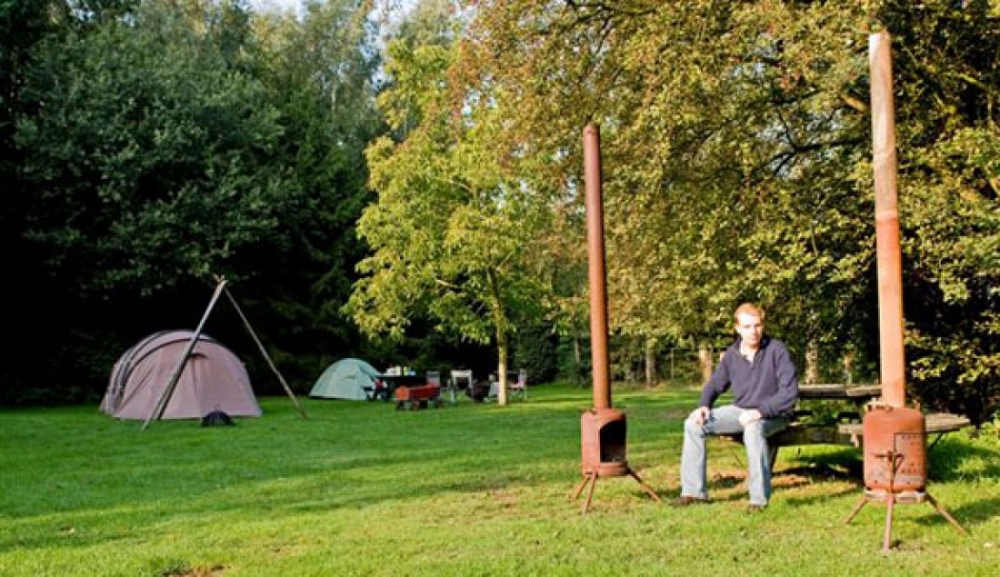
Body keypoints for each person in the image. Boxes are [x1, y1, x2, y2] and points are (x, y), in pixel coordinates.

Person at [671, 302, 799, 512]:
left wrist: (760, 412)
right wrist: (704, 405)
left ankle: (758, 500)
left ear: (763, 325)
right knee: (693, 424)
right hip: (741, 410)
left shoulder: (777, 350)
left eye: (757, 325)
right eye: (747, 327)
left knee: (753, 429)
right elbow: (715, 384)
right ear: (738, 328)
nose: (753, 331)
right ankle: (694, 493)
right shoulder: (732, 354)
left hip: (775, 414)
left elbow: (789, 393)